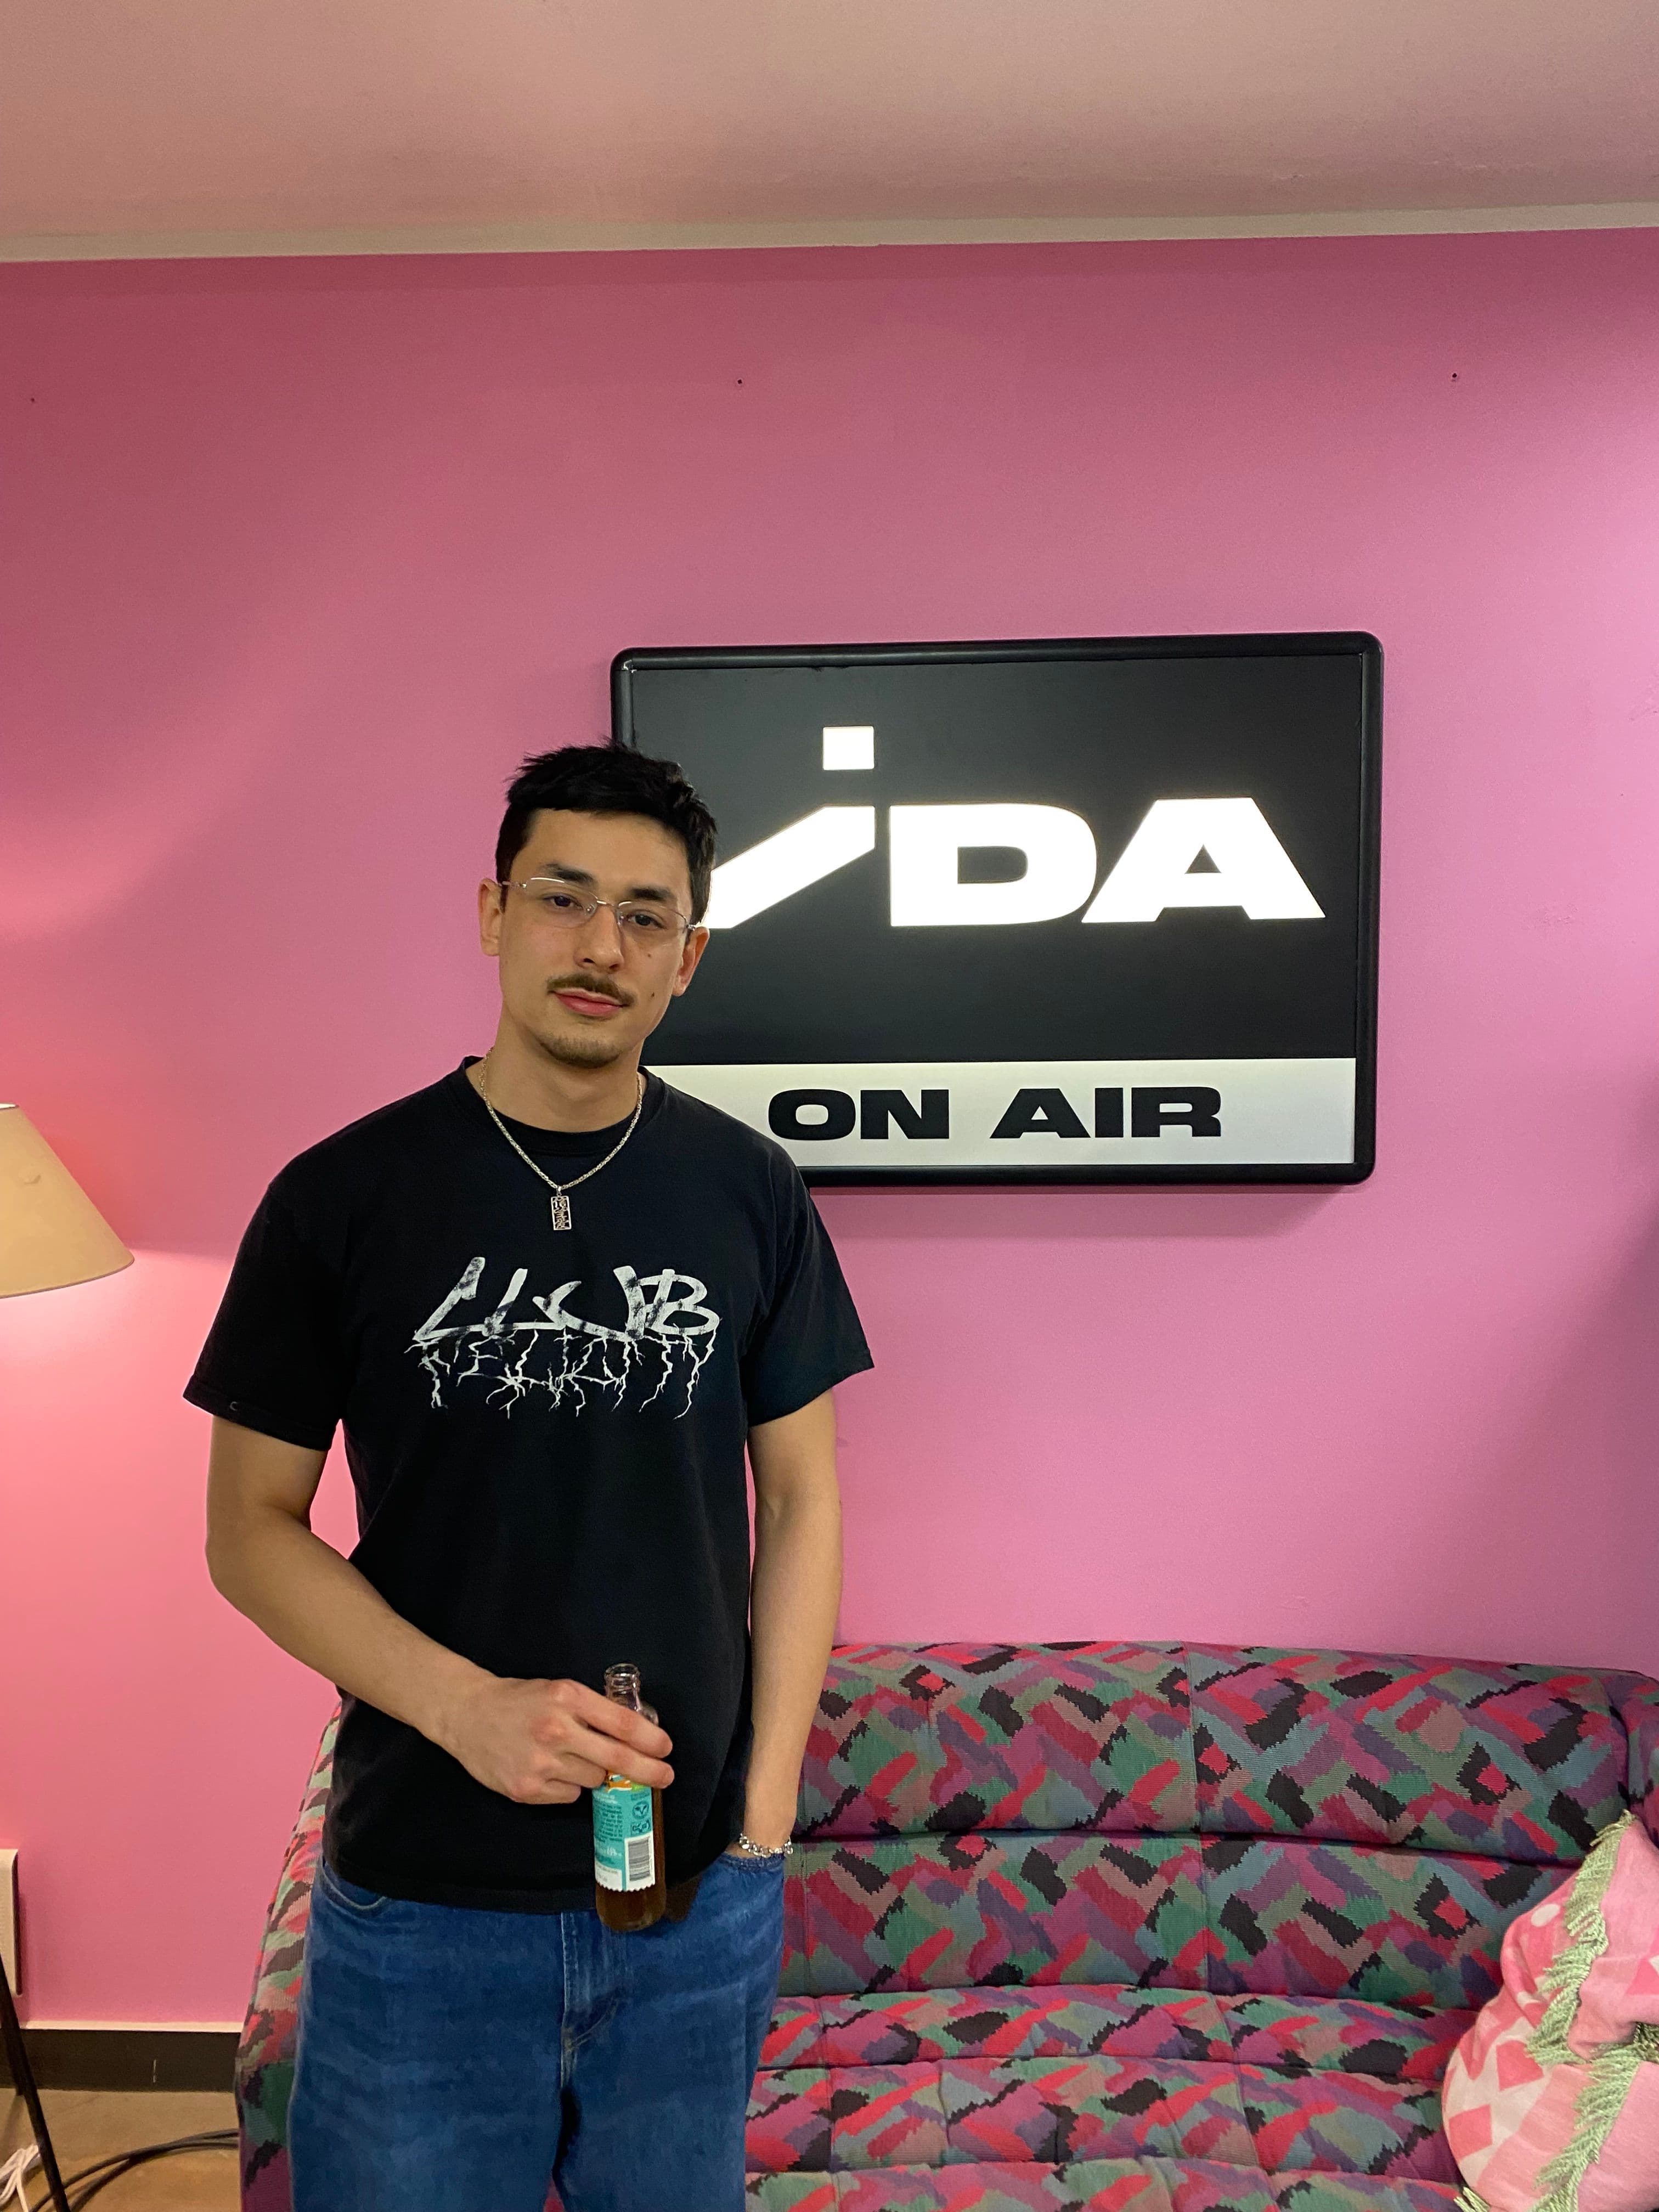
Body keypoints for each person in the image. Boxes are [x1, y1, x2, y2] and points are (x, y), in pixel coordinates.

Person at [188, 743, 872, 2212]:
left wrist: (763, 1823)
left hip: (692, 1909)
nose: (600, 946)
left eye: (644, 915)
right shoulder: (341, 1197)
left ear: (687, 958)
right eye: (563, 897)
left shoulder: (750, 1190)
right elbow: (248, 1530)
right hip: (422, 1908)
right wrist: (465, 1708)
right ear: (494, 912)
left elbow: (805, 1500)